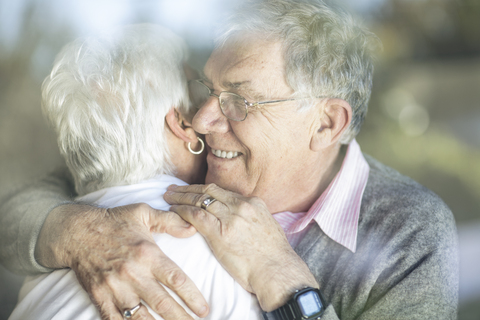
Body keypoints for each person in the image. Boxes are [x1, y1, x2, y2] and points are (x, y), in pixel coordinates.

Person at [1, 1, 459, 320]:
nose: (201, 119)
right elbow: (18, 213)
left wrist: (282, 281)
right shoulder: (189, 165)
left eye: (239, 99)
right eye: (208, 89)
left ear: (325, 124)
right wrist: (81, 232)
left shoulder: (409, 232)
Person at [8, 24, 260, 320]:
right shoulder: (214, 248)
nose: (207, 113)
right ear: (181, 124)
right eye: (198, 92)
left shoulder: (40, 268)